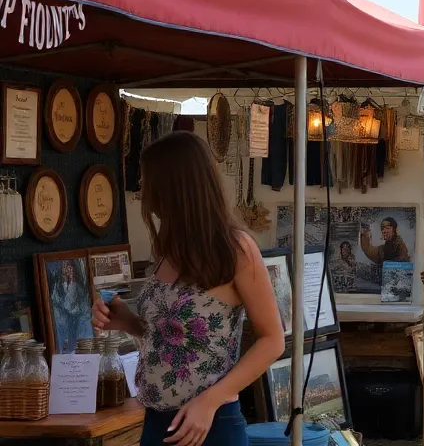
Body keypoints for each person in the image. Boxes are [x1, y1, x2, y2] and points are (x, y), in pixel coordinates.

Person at [93, 132, 283, 446]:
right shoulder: (166, 249)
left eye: (146, 181)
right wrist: (126, 321)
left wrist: (210, 402)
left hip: (210, 425)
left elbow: (272, 339)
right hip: (157, 421)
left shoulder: (235, 249)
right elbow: (172, 338)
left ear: (173, 186)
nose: (141, 192)